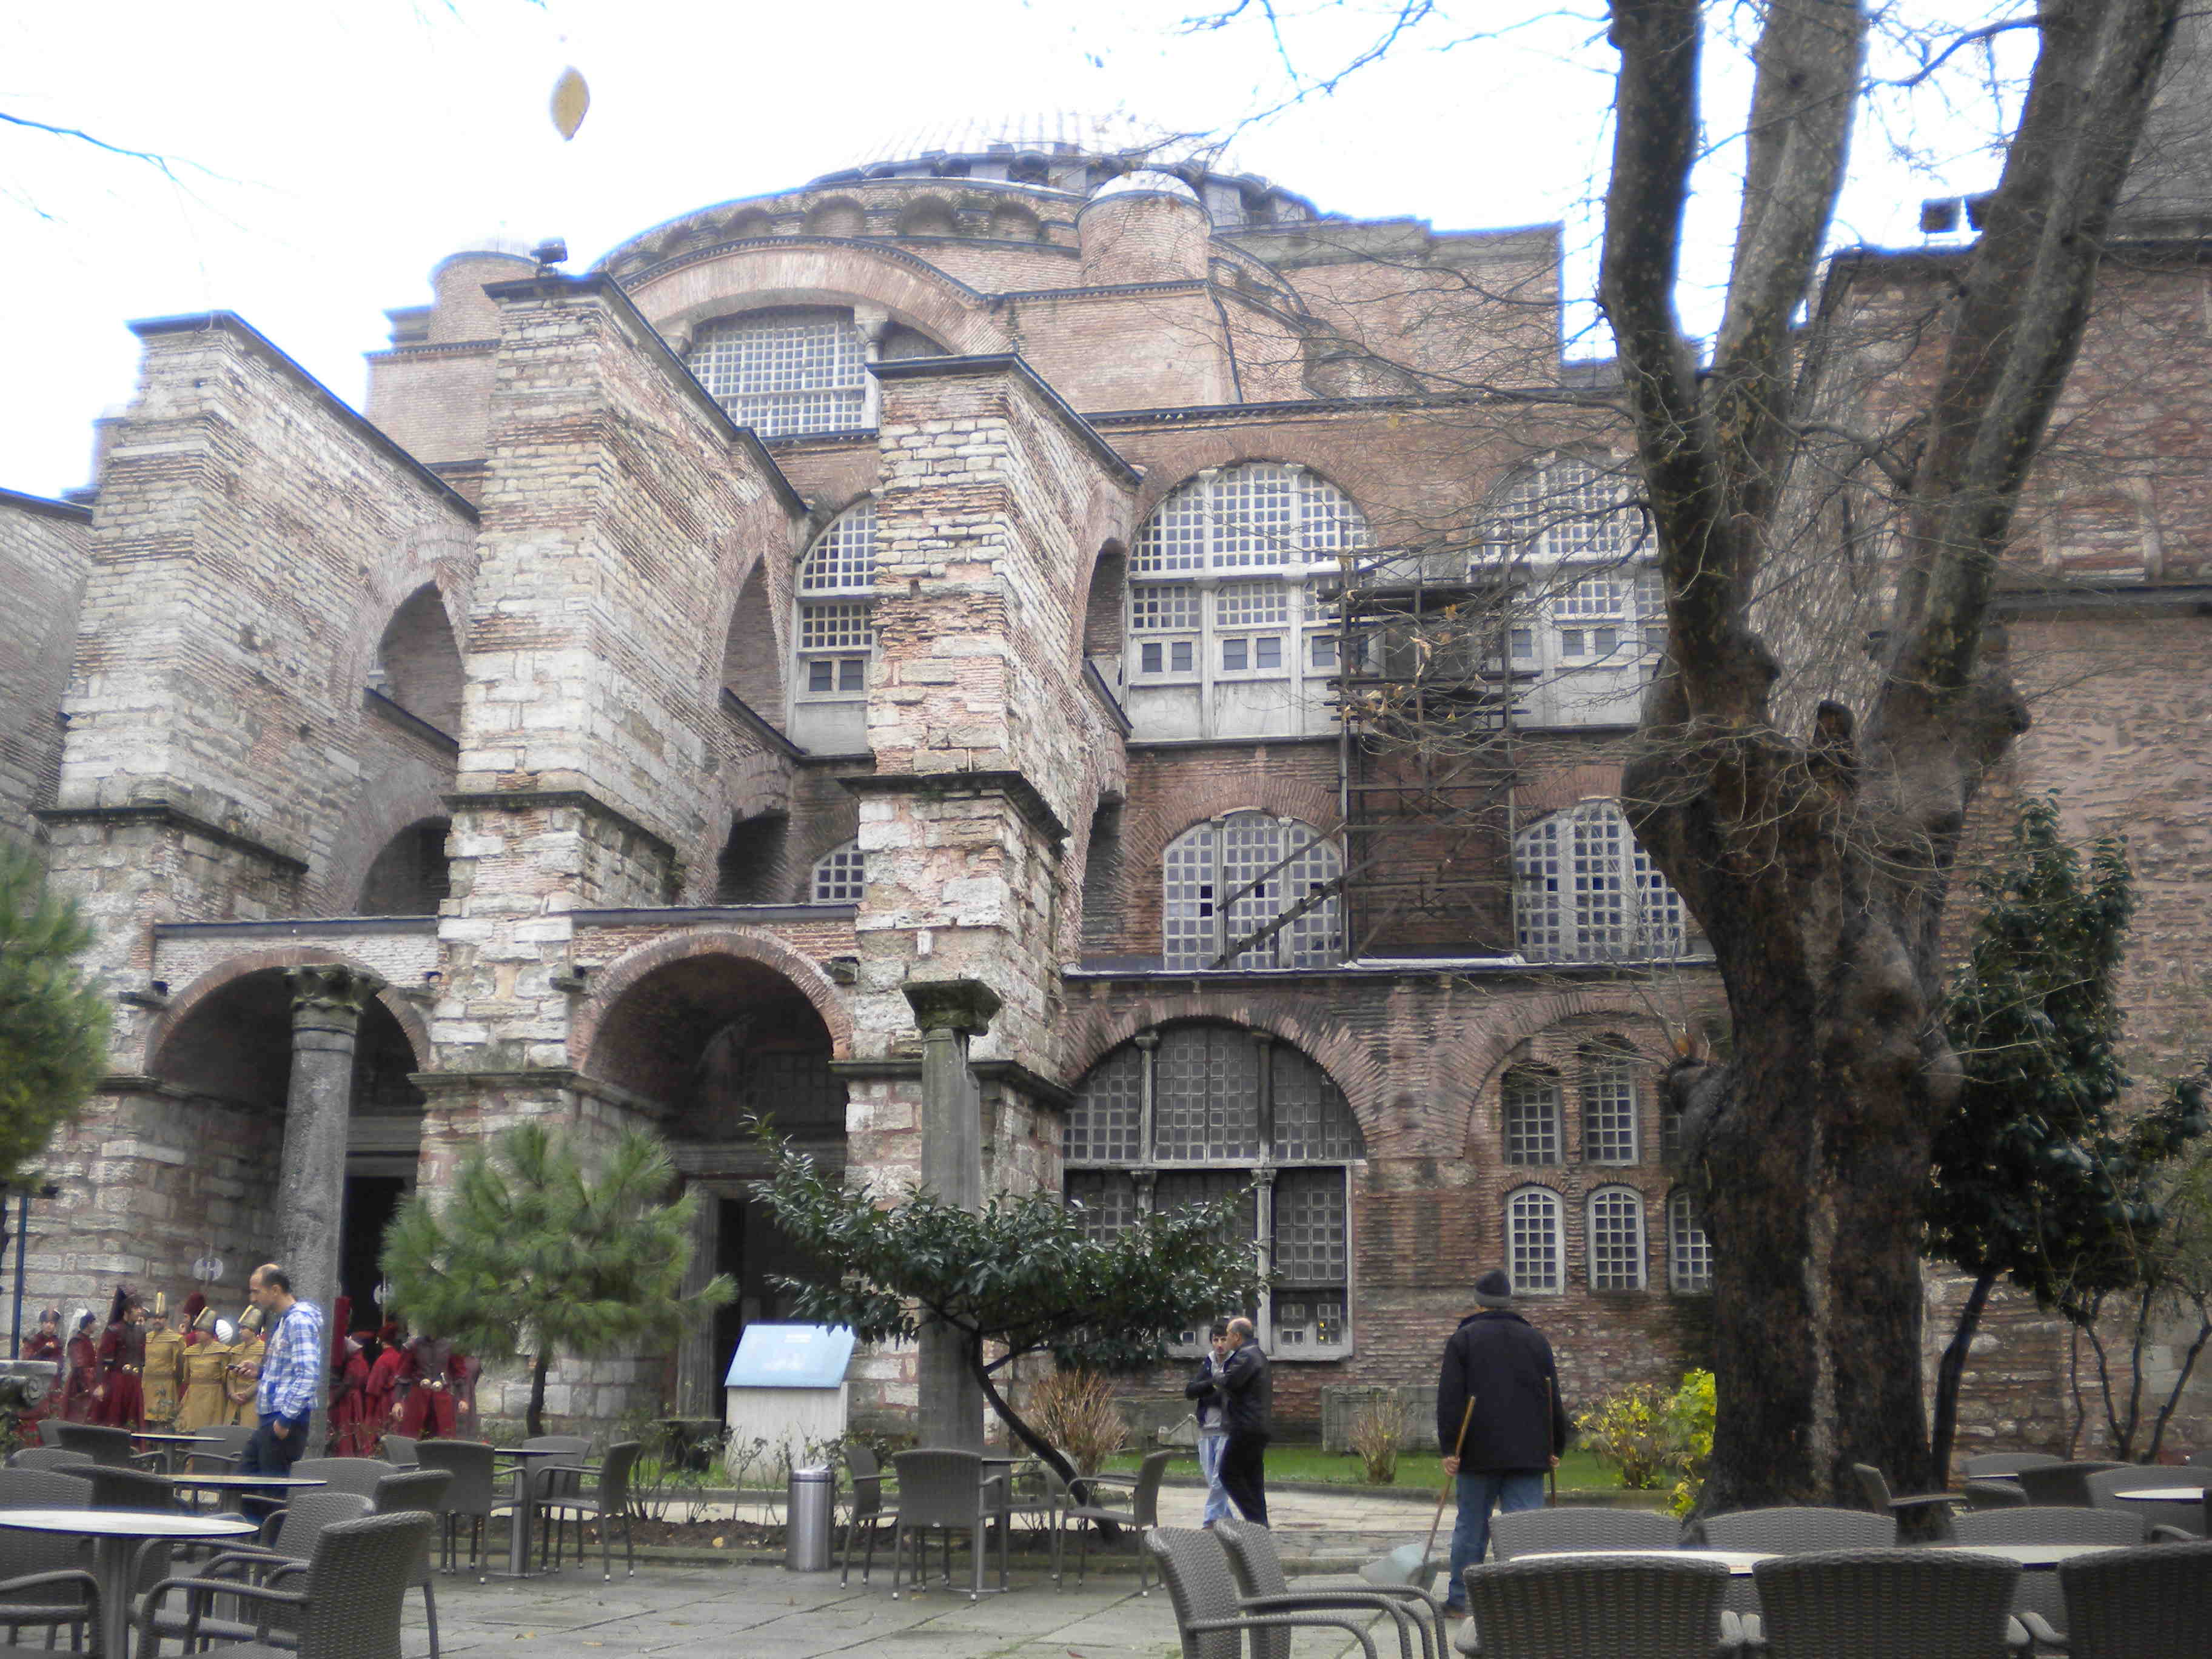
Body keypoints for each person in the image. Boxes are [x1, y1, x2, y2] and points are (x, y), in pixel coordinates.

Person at [1435, 1269, 1571, 1617]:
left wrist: (1450, 1449)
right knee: (1525, 1530)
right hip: (1529, 1453)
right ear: (1508, 1302)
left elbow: (1450, 1400)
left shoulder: (1463, 1340)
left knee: (1472, 1527)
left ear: (1479, 1303)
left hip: (1476, 1452)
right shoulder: (1537, 1341)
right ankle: (1524, 1600)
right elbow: (1552, 1396)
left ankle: (1462, 1600)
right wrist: (1556, 1445)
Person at [233, 1263, 325, 1514]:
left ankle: (271, 1538)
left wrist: (285, 1420)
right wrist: (259, 1371)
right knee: (247, 1481)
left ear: (275, 1290)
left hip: (284, 1419)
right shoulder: (284, 1320)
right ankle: (251, 1533)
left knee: (273, 1496)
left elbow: (308, 1375)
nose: (253, 1299)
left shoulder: (299, 1321)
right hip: (271, 1416)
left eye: (256, 1292)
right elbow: (287, 1370)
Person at [1215, 1315, 1272, 1526]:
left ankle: (1256, 1521)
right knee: (1252, 1478)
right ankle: (1260, 1525)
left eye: (1228, 1335)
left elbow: (1228, 1381)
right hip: (1258, 1425)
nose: (1226, 1339)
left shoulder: (1245, 1356)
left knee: (1228, 1473)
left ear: (1237, 1336)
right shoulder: (1258, 1354)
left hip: (1245, 1427)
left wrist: (1217, 1374)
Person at [1183, 1322, 1235, 1526]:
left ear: (1231, 1340)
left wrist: (1207, 1392)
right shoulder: (1208, 1363)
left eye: (1223, 1339)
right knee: (1210, 1478)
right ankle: (1228, 1522)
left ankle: (1211, 1520)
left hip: (1226, 1429)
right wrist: (1212, 1384)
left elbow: (1230, 1394)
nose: (1220, 1344)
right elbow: (1190, 1391)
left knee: (1220, 1477)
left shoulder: (1236, 1363)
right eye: (1216, 1340)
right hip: (1206, 1428)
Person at [92, 1285, 147, 1430]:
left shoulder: (141, 1331)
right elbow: (103, 1360)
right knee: (114, 1421)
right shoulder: (113, 1331)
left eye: (140, 1307)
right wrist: (100, 1385)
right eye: (136, 1308)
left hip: (134, 1383)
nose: (140, 1311)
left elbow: (142, 1360)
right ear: (126, 1309)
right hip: (116, 1382)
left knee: (133, 1423)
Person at [389, 1330, 460, 1439]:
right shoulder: (413, 1346)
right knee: (412, 1437)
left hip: (443, 1400)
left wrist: (464, 1398)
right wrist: (397, 1402)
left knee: (445, 1438)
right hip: (417, 1400)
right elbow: (403, 1375)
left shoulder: (450, 1346)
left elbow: (460, 1375)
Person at [176, 1301, 232, 1434]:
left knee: (211, 1430)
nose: (197, 1334)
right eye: (196, 1330)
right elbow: (186, 1377)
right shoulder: (190, 1351)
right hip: (193, 1394)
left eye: (201, 1331)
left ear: (209, 1332)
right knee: (188, 1427)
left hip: (214, 1396)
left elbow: (226, 1378)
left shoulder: (223, 1351)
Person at [17, 1308, 62, 1439]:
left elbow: (59, 1363)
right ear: (42, 1324)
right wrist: (44, 1351)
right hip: (35, 1383)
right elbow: (27, 1362)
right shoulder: (32, 1341)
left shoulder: (57, 1342)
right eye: (46, 1322)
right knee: (34, 1416)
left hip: (52, 1384)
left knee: (50, 1415)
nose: (49, 1325)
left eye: (52, 1323)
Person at [141, 1293, 184, 1430]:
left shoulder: (176, 1339)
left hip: (165, 1387)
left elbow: (181, 1367)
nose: (157, 1321)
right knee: (145, 1422)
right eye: (155, 1318)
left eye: (160, 1318)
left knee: (163, 1423)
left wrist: (175, 1384)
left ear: (166, 1319)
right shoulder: (146, 1338)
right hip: (146, 1386)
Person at [222, 1304, 266, 1427]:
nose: (240, 1331)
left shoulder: (264, 1349)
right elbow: (231, 1376)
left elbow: (266, 1376)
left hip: (253, 1397)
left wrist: (247, 1394)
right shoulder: (236, 1350)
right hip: (234, 1398)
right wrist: (232, 1393)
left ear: (253, 1330)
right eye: (240, 1328)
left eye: (244, 1328)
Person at [59, 1310, 99, 1422]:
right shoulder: (77, 1341)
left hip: (89, 1379)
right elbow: (79, 1364)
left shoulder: (87, 1340)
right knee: (77, 1412)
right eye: (94, 1322)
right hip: (79, 1381)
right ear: (89, 1324)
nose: (96, 1325)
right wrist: (85, 1385)